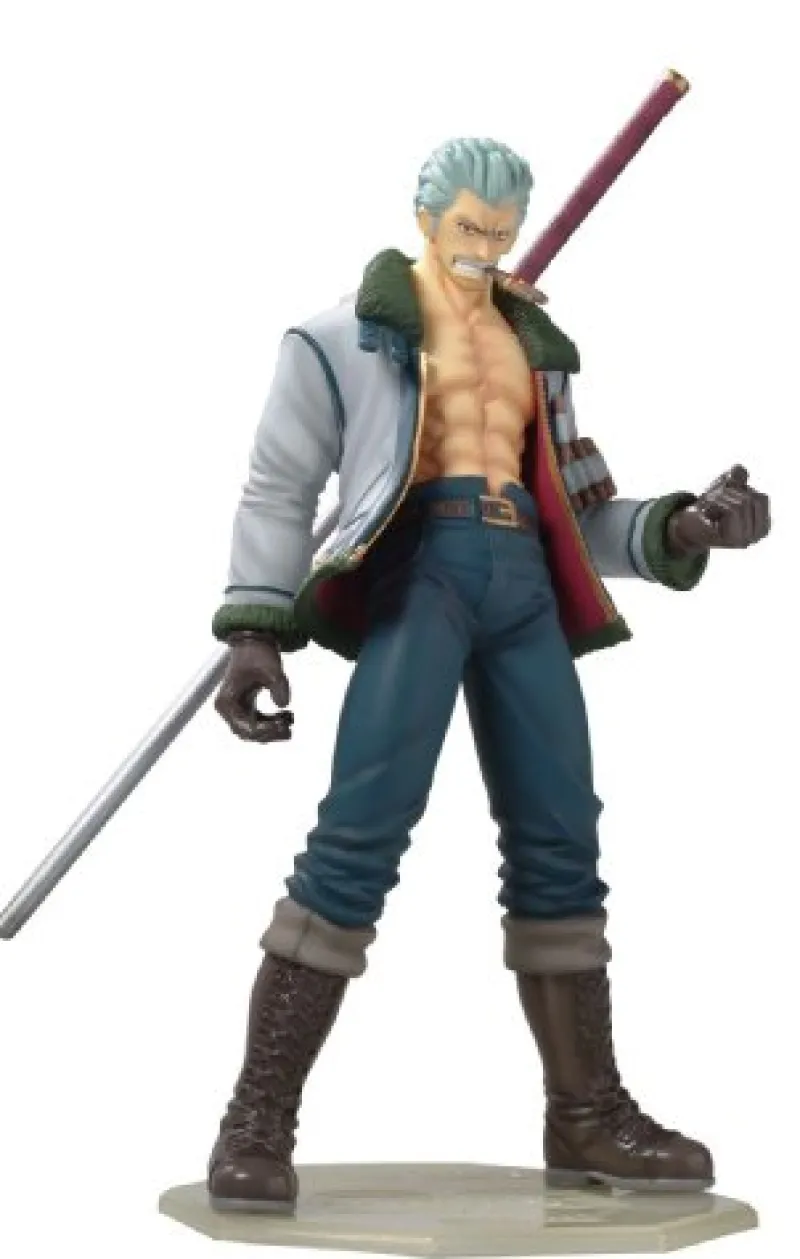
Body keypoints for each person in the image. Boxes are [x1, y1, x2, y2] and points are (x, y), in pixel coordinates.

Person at [206, 138, 770, 1212]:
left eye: (502, 231)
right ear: (425, 216)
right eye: (469, 227)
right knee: (357, 836)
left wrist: (682, 526)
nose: (486, 247)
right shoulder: (340, 336)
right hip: (418, 574)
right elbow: (279, 487)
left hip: (522, 587)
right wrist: (255, 626)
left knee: (562, 837)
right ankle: (257, 1114)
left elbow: (578, 506)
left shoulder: (534, 348)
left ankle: (585, 1114)